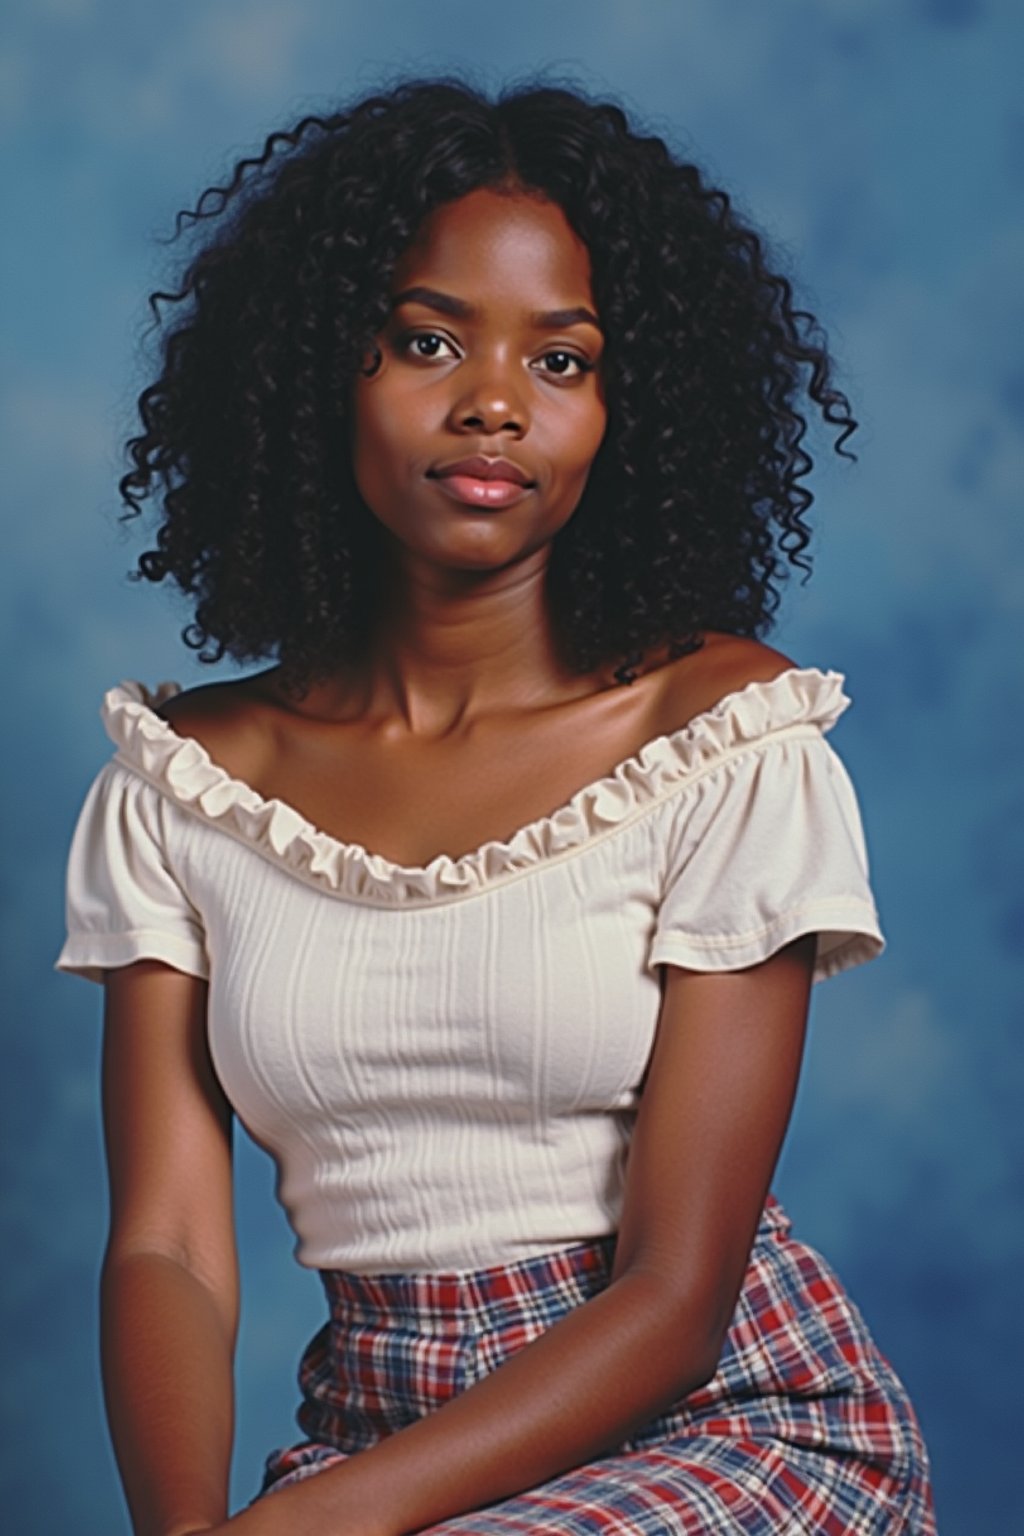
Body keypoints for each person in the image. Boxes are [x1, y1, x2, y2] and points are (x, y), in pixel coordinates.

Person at [56, 78, 936, 1535]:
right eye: (426, 339)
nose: (494, 403)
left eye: (566, 361)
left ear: (627, 412)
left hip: (726, 1417)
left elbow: (675, 1295)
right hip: (373, 1429)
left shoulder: (724, 743)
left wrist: (311, 1527)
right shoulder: (181, 784)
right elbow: (170, 1248)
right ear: (314, 365)